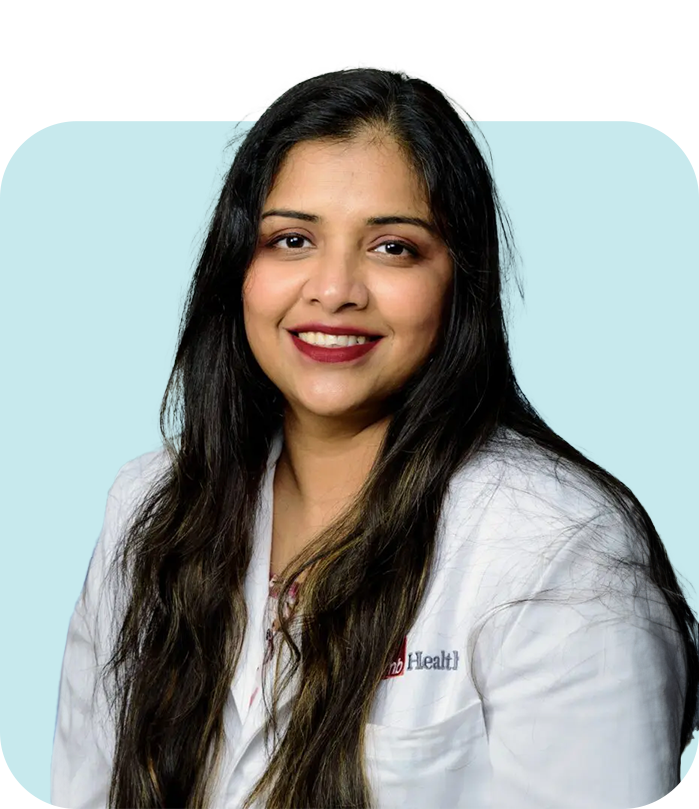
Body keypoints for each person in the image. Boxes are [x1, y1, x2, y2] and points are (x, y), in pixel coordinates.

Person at [51, 68, 698, 809]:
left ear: (459, 281)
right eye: (291, 239)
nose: (333, 288)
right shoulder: (149, 506)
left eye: (392, 248)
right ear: (240, 267)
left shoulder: (552, 547)